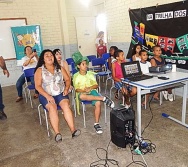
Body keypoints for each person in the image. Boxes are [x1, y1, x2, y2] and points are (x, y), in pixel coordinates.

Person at [34, 49, 80, 142]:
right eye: (47, 55)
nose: (50, 57)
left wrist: (66, 88)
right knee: (52, 107)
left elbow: (67, 79)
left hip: (60, 93)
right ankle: (57, 133)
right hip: (46, 94)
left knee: (65, 106)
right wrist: (47, 96)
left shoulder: (59, 68)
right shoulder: (39, 70)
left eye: (51, 55)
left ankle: (73, 130)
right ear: (43, 59)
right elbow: (38, 86)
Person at [72, 52, 114, 134]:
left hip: (92, 91)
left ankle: (96, 124)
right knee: (82, 96)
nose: (86, 66)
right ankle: (103, 98)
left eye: (86, 64)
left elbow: (96, 85)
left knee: (98, 103)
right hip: (83, 93)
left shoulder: (90, 74)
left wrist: (90, 88)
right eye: (83, 64)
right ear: (78, 66)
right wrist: (84, 90)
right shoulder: (76, 76)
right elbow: (77, 89)